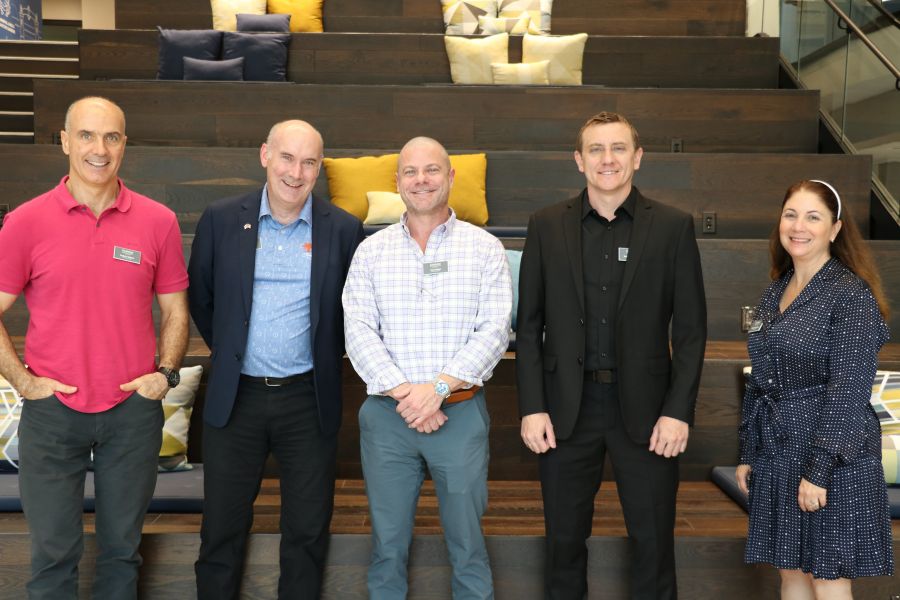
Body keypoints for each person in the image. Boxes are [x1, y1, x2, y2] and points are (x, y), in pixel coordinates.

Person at [0, 96, 190, 599]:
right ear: (64, 141)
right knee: (52, 556)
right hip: (51, 414)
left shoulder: (158, 221)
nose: (98, 149)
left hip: (132, 413)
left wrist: (165, 374)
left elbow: (176, 311)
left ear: (125, 144)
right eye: (86, 135)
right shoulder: (25, 221)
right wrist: (23, 381)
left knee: (122, 552)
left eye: (111, 137)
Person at [516, 111, 707, 599]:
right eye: (596, 149)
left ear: (638, 158)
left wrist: (677, 412)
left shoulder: (673, 228)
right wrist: (533, 406)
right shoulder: (544, 226)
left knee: (653, 545)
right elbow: (530, 325)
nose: (608, 159)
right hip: (563, 411)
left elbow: (690, 332)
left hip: (646, 414)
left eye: (618, 148)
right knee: (562, 543)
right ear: (578, 160)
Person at [189, 119, 364, 599]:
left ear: (319, 168)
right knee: (221, 528)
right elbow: (201, 298)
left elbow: (355, 311)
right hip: (236, 397)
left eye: (309, 162)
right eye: (287, 157)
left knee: (307, 532)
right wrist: (233, 352)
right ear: (265, 154)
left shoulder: (345, 230)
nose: (296, 172)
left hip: (308, 400)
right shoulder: (222, 218)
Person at [342, 136, 511, 599]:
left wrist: (436, 389)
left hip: (459, 415)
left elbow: (494, 331)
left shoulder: (485, 248)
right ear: (397, 181)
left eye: (432, 170)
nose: (421, 180)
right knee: (387, 545)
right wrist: (407, 394)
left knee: (468, 544)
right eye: (411, 172)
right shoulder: (370, 252)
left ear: (451, 177)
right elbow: (357, 331)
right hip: (386, 418)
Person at [736, 180, 894, 598]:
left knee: (827, 576)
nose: (798, 226)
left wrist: (819, 470)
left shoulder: (850, 295)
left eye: (813, 216)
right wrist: (750, 453)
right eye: (791, 214)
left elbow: (849, 390)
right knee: (791, 571)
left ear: (835, 229)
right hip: (780, 449)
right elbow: (760, 378)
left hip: (833, 458)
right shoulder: (776, 290)